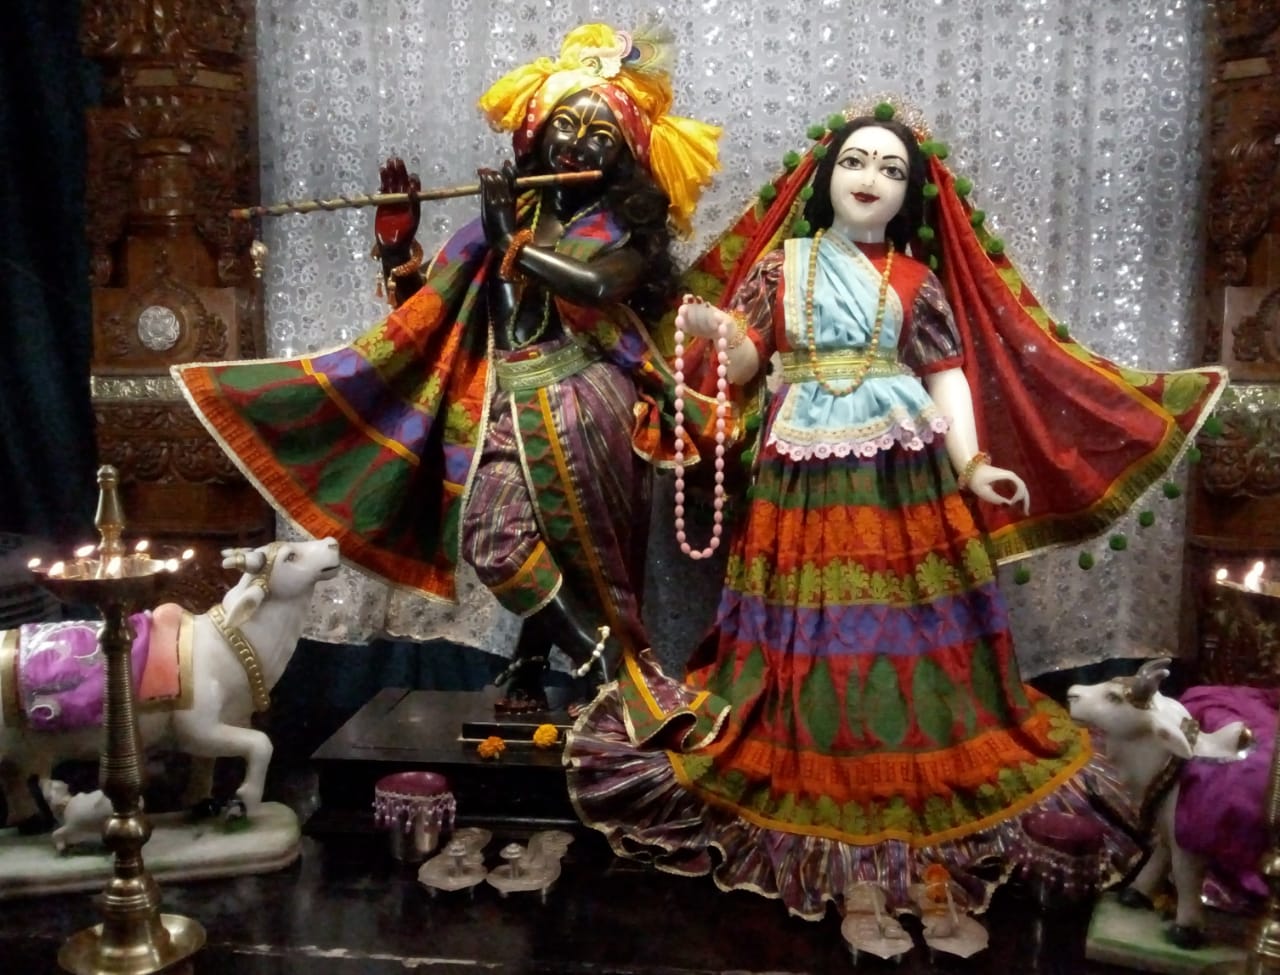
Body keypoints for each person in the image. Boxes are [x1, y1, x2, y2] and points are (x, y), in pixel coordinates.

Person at [564, 104, 1227, 920]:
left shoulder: (919, 280)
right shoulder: (784, 268)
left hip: (902, 475)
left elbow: (946, 374)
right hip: (803, 478)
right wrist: (715, 330)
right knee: (807, 619)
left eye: (890, 168)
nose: (870, 178)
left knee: (904, 619)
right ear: (826, 177)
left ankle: (903, 738)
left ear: (910, 192)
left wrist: (974, 464)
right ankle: (814, 734)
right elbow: (744, 363)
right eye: (856, 161)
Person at [173, 24, 722, 711]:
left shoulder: (620, 234)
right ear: (535, 133)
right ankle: (602, 660)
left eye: (600, 135)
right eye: (565, 123)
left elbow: (594, 287)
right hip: (503, 401)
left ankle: (572, 668)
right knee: (501, 535)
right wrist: (394, 246)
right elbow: (437, 312)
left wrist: (508, 239)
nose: (577, 142)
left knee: (578, 551)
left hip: (583, 402)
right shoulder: (511, 215)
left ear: (625, 160)